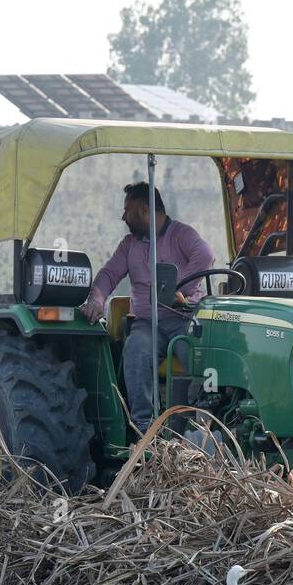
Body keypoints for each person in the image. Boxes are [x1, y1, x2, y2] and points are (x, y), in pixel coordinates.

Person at [78, 182, 215, 436]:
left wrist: (178, 288)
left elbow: (206, 255)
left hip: (184, 319)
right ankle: (144, 427)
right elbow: (109, 274)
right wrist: (96, 300)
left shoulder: (181, 234)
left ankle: (201, 423)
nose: (123, 216)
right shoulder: (129, 245)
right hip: (147, 323)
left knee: (197, 353)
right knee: (136, 348)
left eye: (127, 210)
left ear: (143, 210)